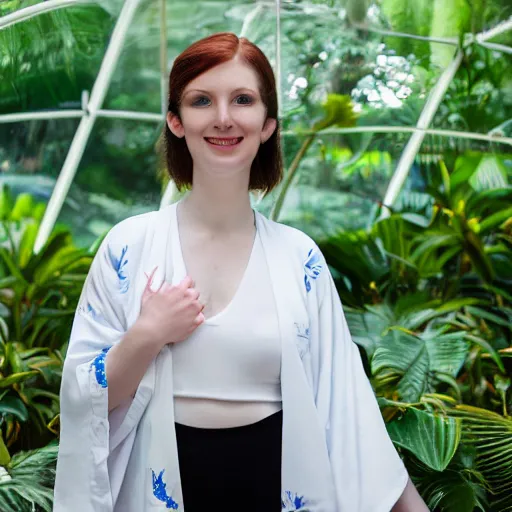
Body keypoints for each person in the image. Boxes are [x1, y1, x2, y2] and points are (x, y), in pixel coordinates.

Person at [53, 32, 428, 512]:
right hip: (161, 488)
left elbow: (348, 408)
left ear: (268, 123)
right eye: (202, 100)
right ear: (176, 120)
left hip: (273, 484)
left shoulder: (300, 257)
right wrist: (147, 333)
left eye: (243, 99)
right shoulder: (129, 246)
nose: (224, 117)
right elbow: (84, 403)